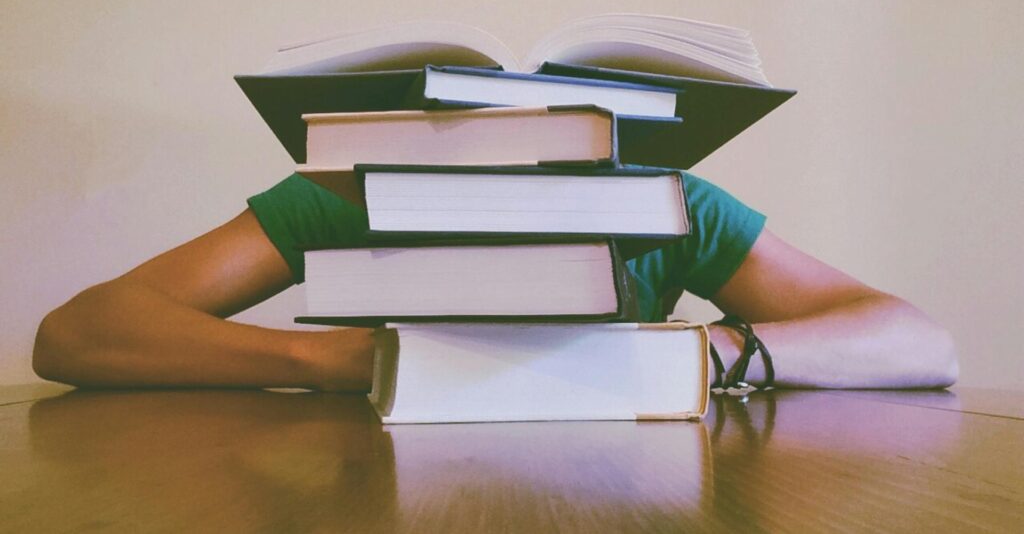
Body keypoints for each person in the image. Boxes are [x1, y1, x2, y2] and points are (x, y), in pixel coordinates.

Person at [32, 172, 958, 391]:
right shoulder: (352, 192)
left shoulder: (665, 205)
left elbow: (920, 340)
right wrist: (346, 360)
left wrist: (713, 352)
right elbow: (76, 333)